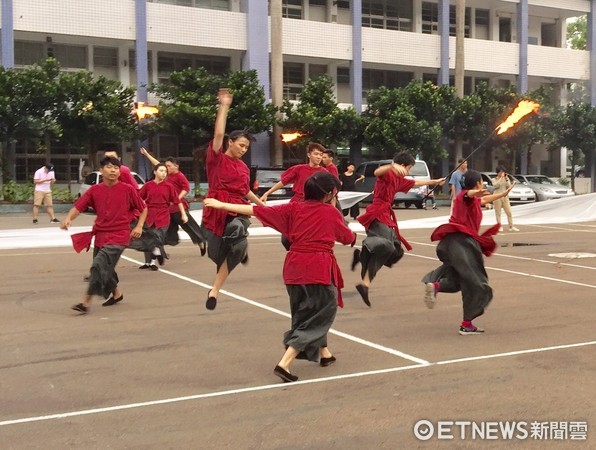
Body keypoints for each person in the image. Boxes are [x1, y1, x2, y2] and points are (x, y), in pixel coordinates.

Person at [204, 171, 356, 383]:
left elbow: (256, 210)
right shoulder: (330, 213)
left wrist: (222, 205)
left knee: (304, 312)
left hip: (294, 267)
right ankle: (285, 362)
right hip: (318, 267)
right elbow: (348, 238)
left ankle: (324, 354)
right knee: (321, 313)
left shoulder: (293, 208)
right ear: (331, 194)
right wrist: (333, 209)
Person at [421, 170, 514, 335]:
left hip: (451, 243)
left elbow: (483, 199)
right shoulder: (464, 197)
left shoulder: (470, 200)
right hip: (462, 244)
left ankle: (437, 287)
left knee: (458, 282)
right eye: (481, 182)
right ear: (477, 183)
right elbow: (469, 196)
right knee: (478, 284)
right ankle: (466, 322)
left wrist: (503, 194)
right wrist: (472, 192)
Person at [351, 152, 445, 307]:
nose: (408, 172)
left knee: (396, 251)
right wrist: (391, 165)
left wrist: (435, 181)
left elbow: (414, 183)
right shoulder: (388, 173)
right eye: (408, 168)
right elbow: (376, 172)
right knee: (385, 246)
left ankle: (361, 260)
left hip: (386, 214)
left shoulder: (399, 179)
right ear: (402, 165)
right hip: (377, 213)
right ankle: (365, 281)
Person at [201, 87, 266, 311]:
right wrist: (224, 106)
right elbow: (218, 134)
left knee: (237, 233)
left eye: (247, 147)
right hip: (215, 209)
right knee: (217, 254)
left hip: (237, 209)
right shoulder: (216, 159)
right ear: (230, 142)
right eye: (241, 145)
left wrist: (262, 206)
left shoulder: (243, 167)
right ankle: (236, 251)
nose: (243, 150)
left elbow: (245, 191)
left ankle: (214, 291)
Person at [61, 156, 147, 314]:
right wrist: (68, 219)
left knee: (99, 265)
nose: (113, 170)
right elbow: (79, 207)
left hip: (120, 235)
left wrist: (139, 226)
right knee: (106, 268)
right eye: (109, 167)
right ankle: (117, 293)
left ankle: (85, 302)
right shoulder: (94, 190)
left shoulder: (128, 189)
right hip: (101, 235)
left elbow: (143, 208)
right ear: (101, 170)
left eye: (116, 167)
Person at [140, 148, 206, 255]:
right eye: (165, 167)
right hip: (167, 210)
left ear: (176, 166)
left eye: (169, 166)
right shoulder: (164, 175)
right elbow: (157, 164)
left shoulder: (179, 176)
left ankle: (201, 242)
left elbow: (186, 188)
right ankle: (160, 250)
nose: (166, 168)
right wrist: (147, 154)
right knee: (166, 231)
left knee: (190, 226)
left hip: (178, 208)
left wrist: (176, 199)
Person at [132, 163, 188, 271]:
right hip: (150, 215)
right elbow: (138, 199)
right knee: (149, 238)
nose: (163, 173)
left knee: (158, 237)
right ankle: (152, 260)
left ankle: (155, 258)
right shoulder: (148, 185)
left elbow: (177, 201)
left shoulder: (169, 186)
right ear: (155, 172)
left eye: (165, 172)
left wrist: (184, 214)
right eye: (161, 171)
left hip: (163, 215)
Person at [260, 142, 328, 203]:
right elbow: (283, 182)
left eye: (321, 155)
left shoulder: (324, 173)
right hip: (297, 202)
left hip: (314, 203)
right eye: (316, 154)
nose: (319, 157)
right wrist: (267, 193)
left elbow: (330, 191)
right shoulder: (298, 169)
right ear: (309, 155)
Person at [492, 166, 519, 232]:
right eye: (501, 172)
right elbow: (496, 185)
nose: (502, 173)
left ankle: (511, 226)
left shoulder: (506, 178)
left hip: (505, 197)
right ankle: (499, 226)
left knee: (509, 212)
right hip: (497, 196)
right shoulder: (494, 179)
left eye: (503, 172)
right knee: (498, 213)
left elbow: (509, 186)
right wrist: (501, 178)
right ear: (498, 172)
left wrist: (507, 179)